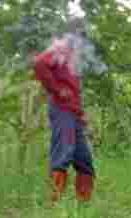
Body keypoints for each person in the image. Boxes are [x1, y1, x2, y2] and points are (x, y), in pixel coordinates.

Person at [33, 30, 95, 202]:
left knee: (85, 160)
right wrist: (57, 90)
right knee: (63, 154)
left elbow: (73, 92)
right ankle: (55, 204)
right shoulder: (60, 51)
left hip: (73, 114)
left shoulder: (73, 60)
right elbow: (39, 63)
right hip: (62, 111)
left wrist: (81, 115)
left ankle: (83, 206)